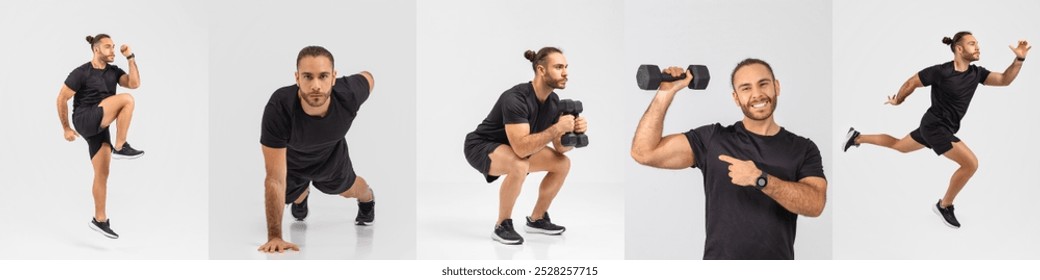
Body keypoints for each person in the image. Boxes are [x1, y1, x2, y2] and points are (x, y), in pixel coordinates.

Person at [631, 59, 827, 259]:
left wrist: (761, 179)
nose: (757, 94)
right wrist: (666, 93)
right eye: (746, 88)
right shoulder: (713, 140)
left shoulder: (803, 148)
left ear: (776, 86)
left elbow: (815, 204)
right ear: (736, 97)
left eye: (763, 84)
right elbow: (644, 152)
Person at [844, 32, 1030, 228]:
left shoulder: (977, 73)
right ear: (959, 49)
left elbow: (1004, 79)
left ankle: (857, 137)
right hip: (935, 127)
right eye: (972, 44)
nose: (977, 47)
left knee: (899, 145)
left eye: (977, 44)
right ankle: (944, 205)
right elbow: (912, 82)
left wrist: (1019, 58)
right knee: (971, 164)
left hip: (936, 127)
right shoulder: (941, 72)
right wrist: (898, 100)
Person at [463, 47, 588, 245]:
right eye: (558, 67)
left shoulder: (553, 101)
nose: (565, 72)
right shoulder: (516, 98)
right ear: (541, 70)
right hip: (482, 145)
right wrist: (557, 128)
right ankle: (502, 225)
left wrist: (573, 133)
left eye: (565, 67)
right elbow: (521, 149)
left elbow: (560, 148)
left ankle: (537, 219)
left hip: (514, 146)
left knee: (562, 164)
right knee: (519, 164)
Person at [258, 46, 376, 253]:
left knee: (351, 190)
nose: (315, 85)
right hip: (292, 163)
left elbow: (368, 77)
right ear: (297, 78)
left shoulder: (348, 94)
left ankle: (368, 199)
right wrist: (275, 236)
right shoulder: (279, 108)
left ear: (333, 77)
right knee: (290, 192)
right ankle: (301, 196)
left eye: (323, 76)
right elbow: (275, 178)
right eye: (307, 77)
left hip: (330, 158)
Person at [56, 33, 145, 239]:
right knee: (127, 100)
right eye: (108, 47)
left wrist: (130, 57)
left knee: (102, 173)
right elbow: (62, 98)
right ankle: (121, 146)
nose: (113, 51)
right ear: (96, 49)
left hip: (100, 124)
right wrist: (66, 128)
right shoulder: (81, 72)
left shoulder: (113, 72)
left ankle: (100, 220)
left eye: (113, 47)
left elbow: (134, 83)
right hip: (85, 117)